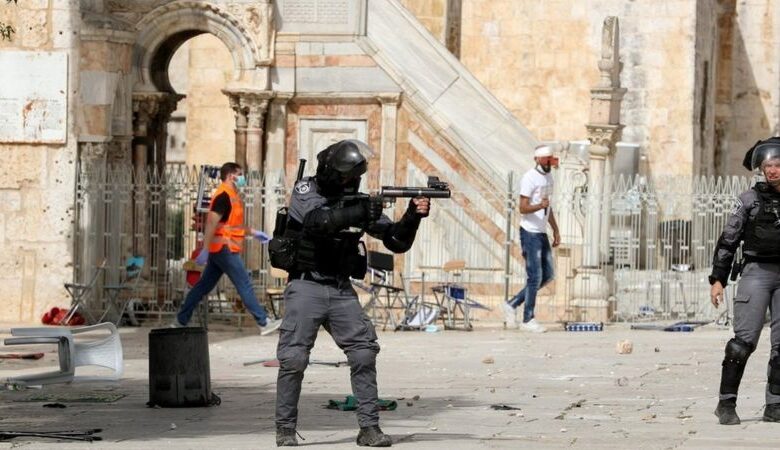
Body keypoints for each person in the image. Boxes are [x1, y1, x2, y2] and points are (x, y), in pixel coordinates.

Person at [272, 140, 430, 447]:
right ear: (331, 172)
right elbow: (319, 222)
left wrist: (412, 216)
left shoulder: (357, 201)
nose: (349, 181)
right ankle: (285, 430)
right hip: (306, 285)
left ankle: (369, 428)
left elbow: (396, 241)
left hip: (341, 289)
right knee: (294, 358)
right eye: (345, 176)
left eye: (353, 176)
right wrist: (360, 210)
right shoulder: (306, 190)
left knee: (363, 352)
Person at [710, 136, 780, 425]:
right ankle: (726, 403)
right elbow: (729, 239)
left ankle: (774, 405)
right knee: (743, 342)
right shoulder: (749, 200)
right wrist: (718, 279)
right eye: (768, 166)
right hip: (756, 272)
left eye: (777, 164)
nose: (773, 170)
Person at [172, 162, 281, 335]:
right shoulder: (223, 195)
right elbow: (211, 222)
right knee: (244, 284)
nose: (243, 178)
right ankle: (263, 321)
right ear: (232, 176)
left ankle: (180, 320)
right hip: (224, 248)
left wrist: (254, 232)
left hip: (222, 248)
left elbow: (232, 225)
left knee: (202, 287)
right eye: (240, 174)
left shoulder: (231, 195)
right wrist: (205, 249)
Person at [502, 144, 560, 333]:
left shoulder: (549, 178)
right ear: (538, 159)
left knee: (548, 275)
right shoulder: (529, 178)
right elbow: (523, 207)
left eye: (550, 159)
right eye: (546, 159)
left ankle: (512, 303)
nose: (548, 163)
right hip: (529, 232)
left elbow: (547, 207)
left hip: (542, 232)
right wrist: (539, 206)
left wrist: (555, 229)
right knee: (535, 276)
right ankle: (528, 318)